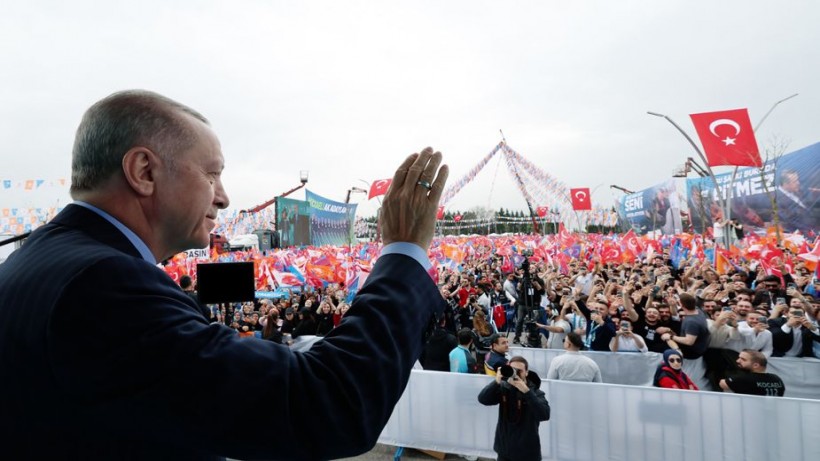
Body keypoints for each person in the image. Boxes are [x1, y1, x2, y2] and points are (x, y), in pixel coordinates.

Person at [0, 90, 449, 460]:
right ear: (144, 171)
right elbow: (329, 404)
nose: (224, 198)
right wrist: (405, 250)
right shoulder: (106, 287)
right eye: (212, 174)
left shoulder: (37, 262)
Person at [478, 356, 551, 461]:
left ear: (526, 372)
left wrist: (527, 392)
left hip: (527, 453)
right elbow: (483, 399)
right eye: (513, 370)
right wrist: (496, 382)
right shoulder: (504, 388)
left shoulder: (535, 392)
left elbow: (544, 415)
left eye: (519, 371)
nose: (516, 374)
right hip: (504, 450)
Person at [719, 350, 785, 396]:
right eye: (739, 358)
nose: (737, 361)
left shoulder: (743, 379)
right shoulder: (776, 379)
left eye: (743, 359)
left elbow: (723, 383)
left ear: (756, 365)